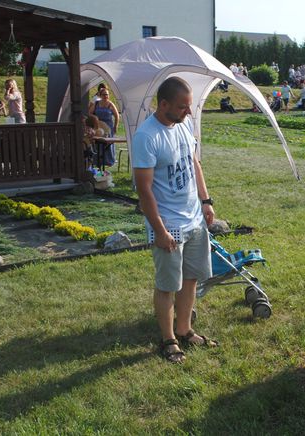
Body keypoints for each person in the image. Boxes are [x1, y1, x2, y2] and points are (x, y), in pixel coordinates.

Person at [132, 76, 218, 364]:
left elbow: (194, 163)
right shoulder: (147, 136)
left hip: (194, 217)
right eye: (183, 107)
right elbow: (144, 190)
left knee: (191, 278)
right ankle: (168, 339)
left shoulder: (183, 126)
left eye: (190, 106)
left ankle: (185, 330)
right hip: (168, 224)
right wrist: (159, 230)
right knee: (168, 284)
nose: (188, 112)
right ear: (164, 104)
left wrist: (205, 201)